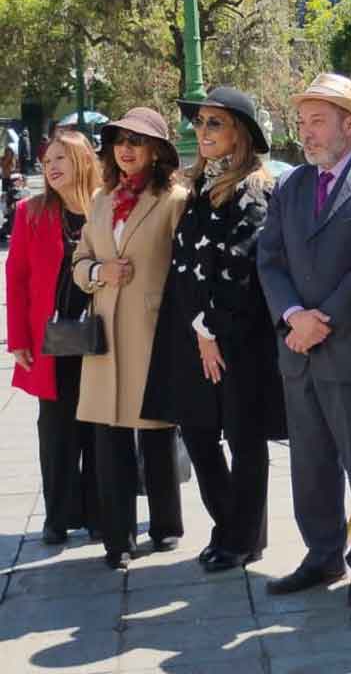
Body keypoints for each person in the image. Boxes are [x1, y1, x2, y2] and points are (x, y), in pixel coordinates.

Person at [257, 74, 351, 603]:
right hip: (299, 352)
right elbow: (270, 259)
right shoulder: (289, 186)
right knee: (310, 463)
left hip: (350, 349)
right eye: (302, 122)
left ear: (349, 124)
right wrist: (293, 315)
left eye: (317, 122)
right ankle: (322, 555)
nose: (306, 134)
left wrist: (322, 320)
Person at [143, 87, 286, 573]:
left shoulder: (255, 191)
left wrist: (211, 332)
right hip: (194, 337)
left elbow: (241, 266)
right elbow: (185, 264)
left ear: (239, 134)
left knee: (244, 441)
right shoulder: (200, 186)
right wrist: (197, 331)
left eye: (213, 124)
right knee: (200, 435)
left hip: (237, 341)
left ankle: (242, 537)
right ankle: (232, 528)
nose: (201, 132)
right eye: (199, 123)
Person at [72, 108, 188, 570]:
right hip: (104, 338)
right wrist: (101, 271)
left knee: (157, 431)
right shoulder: (101, 200)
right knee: (109, 437)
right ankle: (117, 539)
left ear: (157, 150)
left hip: (154, 332)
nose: (126, 149)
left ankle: (166, 526)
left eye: (137, 142)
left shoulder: (175, 199)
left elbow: (186, 268)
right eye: (120, 140)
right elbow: (81, 262)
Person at [6, 130, 102, 545]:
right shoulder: (31, 211)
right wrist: (18, 339)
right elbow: (17, 278)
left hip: (105, 337)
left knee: (101, 428)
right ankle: (59, 515)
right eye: (47, 162)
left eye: (61, 158)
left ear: (83, 160)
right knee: (57, 430)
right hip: (55, 339)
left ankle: (102, 513)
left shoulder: (108, 206)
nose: (52, 167)